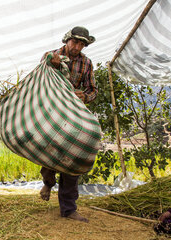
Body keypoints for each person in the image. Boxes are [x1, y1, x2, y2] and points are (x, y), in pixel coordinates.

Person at [39, 26, 98, 222]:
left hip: (73, 115)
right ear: (67, 40)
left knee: (73, 155)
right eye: (75, 42)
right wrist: (49, 60)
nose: (78, 46)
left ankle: (68, 208)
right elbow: (41, 68)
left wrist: (85, 96)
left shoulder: (86, 63)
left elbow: (92, 89)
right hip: (53, 112)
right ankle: (48, 182)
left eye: (82, 44)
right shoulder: (53, 55)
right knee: (49, 152)